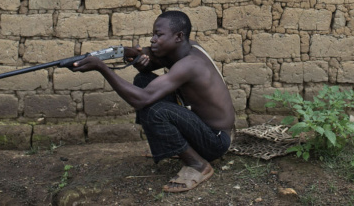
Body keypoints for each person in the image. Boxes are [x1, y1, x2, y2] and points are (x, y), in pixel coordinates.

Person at [73, 10, 235, 193]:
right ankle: (169, 145)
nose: (152, 39)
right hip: (203, 129)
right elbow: (150, 60)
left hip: (215, 141)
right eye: (153, 34)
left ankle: (198, 165)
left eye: (159, 35)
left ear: (178, 36)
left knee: (155, 109)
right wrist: (133, 56)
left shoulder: (190, 64)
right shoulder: (186, 47)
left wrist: (102, 67)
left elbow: (140, 99)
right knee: (142, 81)